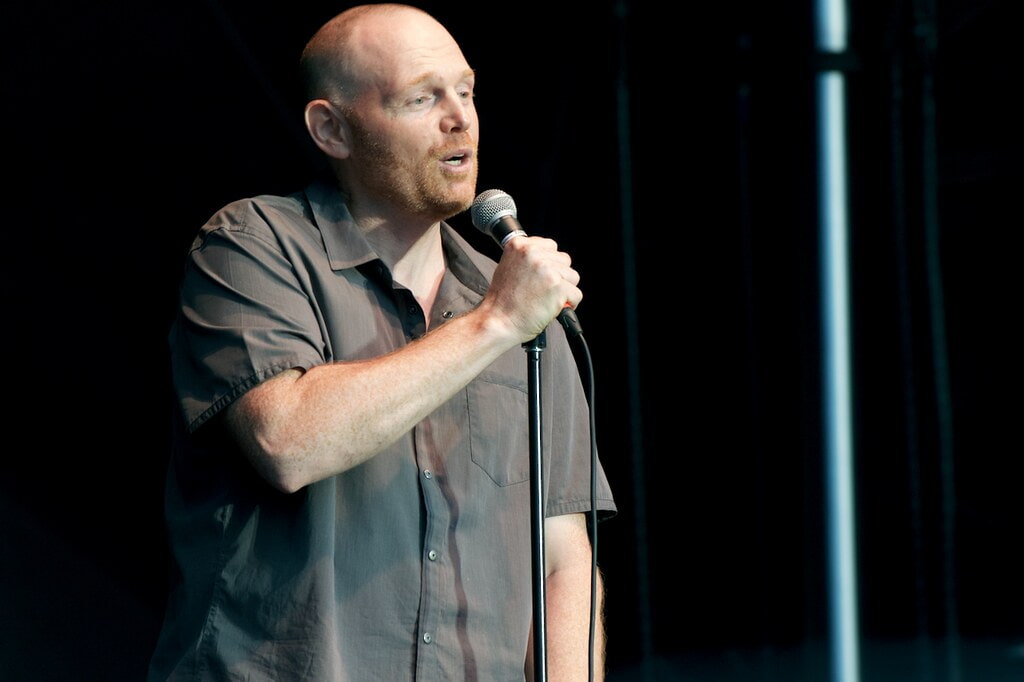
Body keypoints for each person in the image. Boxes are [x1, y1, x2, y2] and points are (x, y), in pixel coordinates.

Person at [147, 3, 617, 680]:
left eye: (466, 91)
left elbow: (564, 557)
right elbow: (288, 442)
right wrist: (493, 325)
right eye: (423, 97)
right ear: (331, 128)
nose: (460, 118)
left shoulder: (523, 306)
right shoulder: (252, 246)